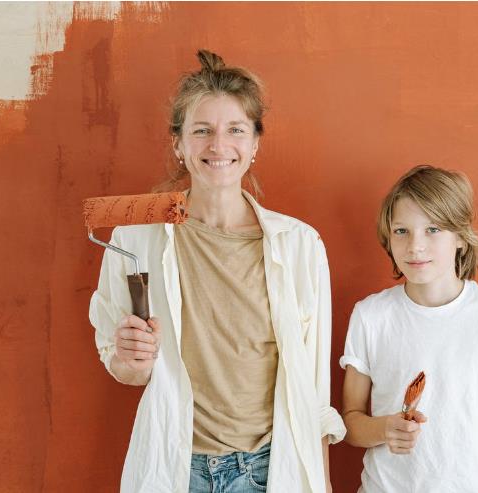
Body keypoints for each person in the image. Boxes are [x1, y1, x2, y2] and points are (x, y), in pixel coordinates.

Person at [89, 50, 345, 493]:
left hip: (270, 468)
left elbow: (313, 389)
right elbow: (126, 369)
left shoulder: (299, 245)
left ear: (255, 144)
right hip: (176, 465)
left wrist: (317, 481)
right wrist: (131, 357)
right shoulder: (134, 241)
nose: (218, 146)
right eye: (202, 131)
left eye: (235, 131)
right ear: (179, 143)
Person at [340, 165, 478, 492]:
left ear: (460, 237)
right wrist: (385, 429)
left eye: (432, 229)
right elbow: (350, 422)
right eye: (402, 231)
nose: (415, 246)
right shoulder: (370, 316)